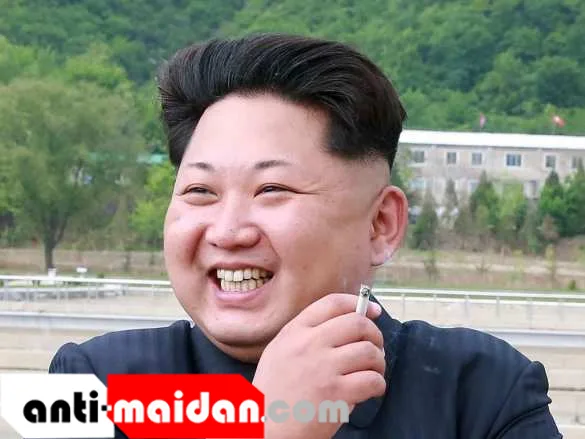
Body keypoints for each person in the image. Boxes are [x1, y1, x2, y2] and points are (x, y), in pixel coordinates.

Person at [49, 33, 562, 438]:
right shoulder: (94, 384)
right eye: (201, 191)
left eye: (272, 189)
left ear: (381, 224)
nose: (227, 231)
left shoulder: (481, 393)